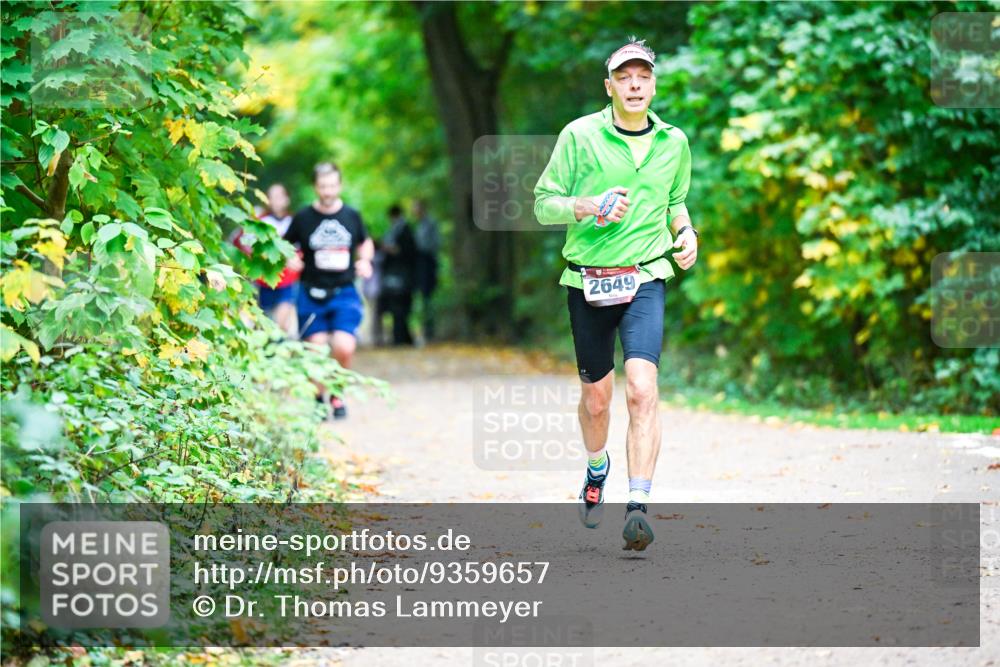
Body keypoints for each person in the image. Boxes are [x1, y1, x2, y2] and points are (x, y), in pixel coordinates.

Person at [533, 38, 697, 550]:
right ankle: (596, 466)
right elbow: (542, 204)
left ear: (653, 85)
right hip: (589, 279)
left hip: (646, 274)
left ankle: (638, 505)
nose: (633, 85)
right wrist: (586, 204)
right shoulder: (580, 136)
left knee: (642, 389)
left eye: (642, 77)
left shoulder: (674, 142)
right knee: (597, 401)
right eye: (623, 77)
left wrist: (686, 232)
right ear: (609, 87)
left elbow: (676, 200)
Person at [284, 162, 374, 419]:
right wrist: (291, 258)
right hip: (311, 292)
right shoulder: (303, 218)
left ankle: (337, 391)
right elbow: (285, 246)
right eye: (323, 186)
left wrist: (365, 260)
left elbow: (365, 242)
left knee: (344, 347)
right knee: (316, 349)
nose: (328, 191)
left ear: (340, 185)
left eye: (332, 186)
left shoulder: (351, 215)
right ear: (316, 187)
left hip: (344, 291)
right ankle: (318, 397)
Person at [232, 183, 302, 336]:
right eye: (272, 197)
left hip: (287, 280)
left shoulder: (294, 221)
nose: (276, 201)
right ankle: (266, 352)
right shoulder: (259, 221)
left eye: (280, 197)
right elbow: (239, 241)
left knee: (281, 324)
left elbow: (301, 248)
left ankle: (279, 350)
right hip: (262, 280)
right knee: (263, 323)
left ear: (287, 199)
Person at [378, 204, 417, 346]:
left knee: (401, 308)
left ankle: (401, 337)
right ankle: (401, 337)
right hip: (398, 276)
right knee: (398, 308)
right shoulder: (398, 230)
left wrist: (389, 249)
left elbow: (406, 251)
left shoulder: (404, 230)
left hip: (402, 276)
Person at [412, 199, 441, 341]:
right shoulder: (419, 224)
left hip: (428, 263)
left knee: (428, 296)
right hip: (420, 264)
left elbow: (434, 244)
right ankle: (426, 329)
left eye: (415, 207)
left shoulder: (430, 223)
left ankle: (430, 331)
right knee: (422, 297)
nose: (413, 210)